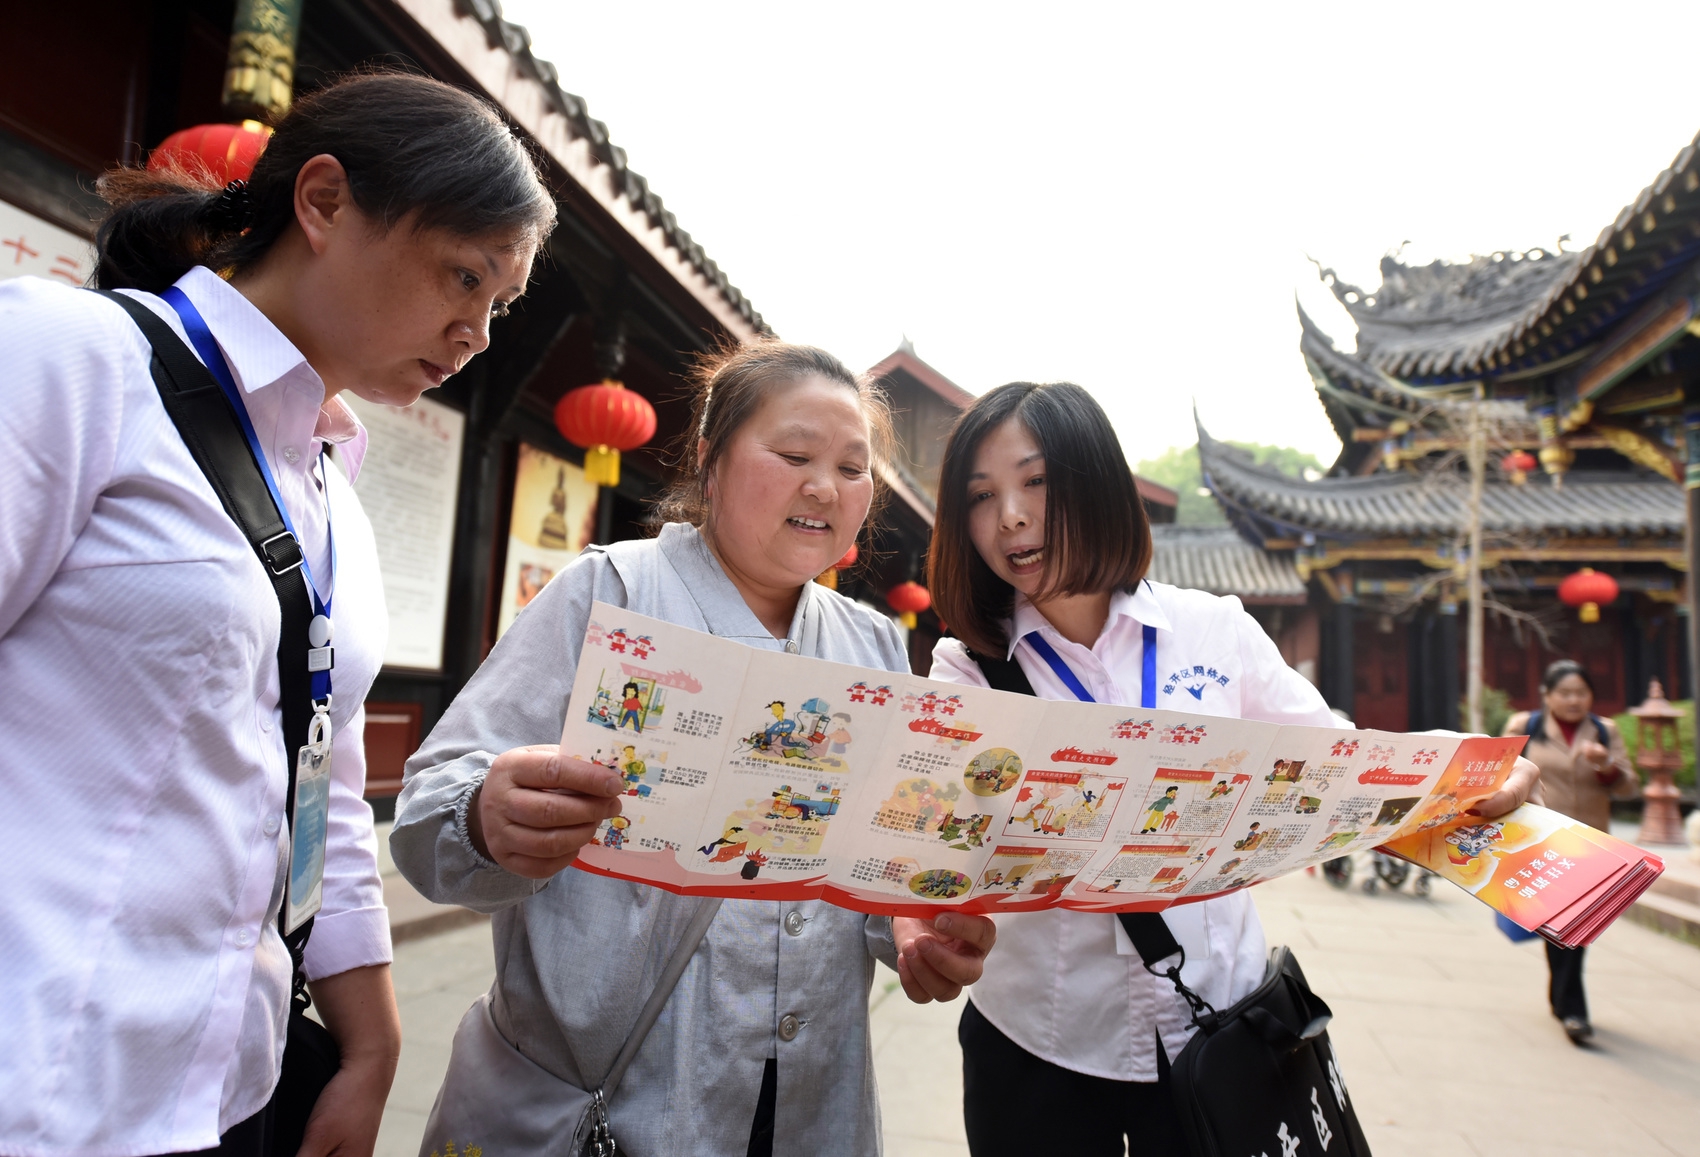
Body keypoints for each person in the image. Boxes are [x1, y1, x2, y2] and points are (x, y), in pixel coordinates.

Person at [0, 71, 555, 1157]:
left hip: (231, 1086)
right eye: (464, 275)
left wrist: (370, 1044)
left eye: (500, 303)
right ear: (324, 200)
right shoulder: (75, 359)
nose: (478, 333)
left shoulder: (333, 498)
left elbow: (324, 787)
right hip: (42, 1078)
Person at [390, 342, 997, 1157]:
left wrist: (912, 926)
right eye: (794, 455)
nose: (825, 486)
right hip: (621, 1101)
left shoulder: (873, 645)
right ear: (710, 458)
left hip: (810, 1103)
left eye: (853, 468)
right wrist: (485, 814)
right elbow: (429, 813)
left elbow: (875, 863)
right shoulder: (611, 592)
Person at [924, 381, 1543, 1156]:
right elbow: (940, 846)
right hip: (1039, 1042)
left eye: (1036, 480)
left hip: (1222, 1029)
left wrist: (1474, 771)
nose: (1011, 515)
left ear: (1096, 481)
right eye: (981, 496)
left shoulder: (1214, 630)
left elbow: (1340, 761)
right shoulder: (967, 672)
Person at [1503, 659, 1636, 1045]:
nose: (1573, 700)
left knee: (1575, 926)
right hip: (1541, 841)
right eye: (1564, 693)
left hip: (1591, 845)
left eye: (1581, 693)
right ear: (1547, 696)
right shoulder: (1524, 726)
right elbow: (1500, 774)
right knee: (1561, 925)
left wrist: (1606, 766)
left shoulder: (1605, 731)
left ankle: (1567, 1003)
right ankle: (1572, 1008)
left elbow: (1629, 787)